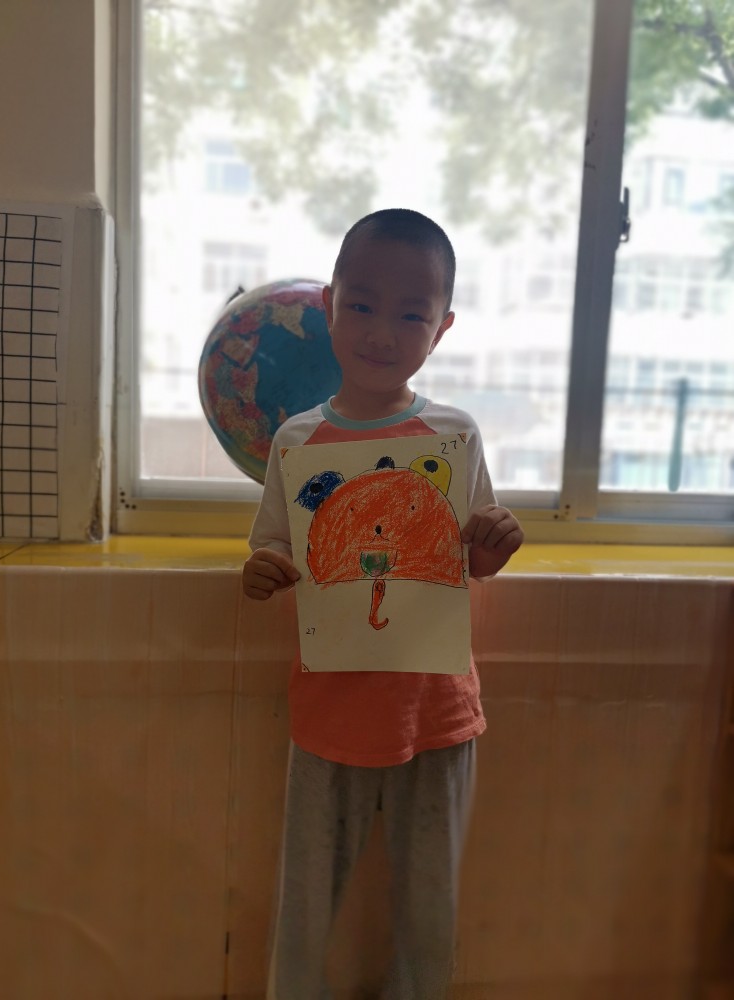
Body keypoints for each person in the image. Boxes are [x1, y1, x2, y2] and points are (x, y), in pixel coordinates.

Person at [243, 208, 523, 1000]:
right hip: (328, 712)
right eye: (362, 304)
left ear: (442, 328)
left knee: (430, 911)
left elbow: (472, 561)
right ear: (328, 306)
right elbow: (272, 549)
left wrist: (495, 542)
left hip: (435, 710)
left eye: (411, 314)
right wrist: (262, 570)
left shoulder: (453, 437)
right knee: (305, 906)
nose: (381, 331)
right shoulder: (297, 442)